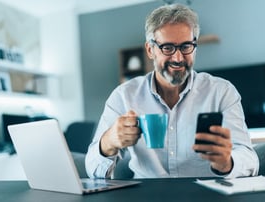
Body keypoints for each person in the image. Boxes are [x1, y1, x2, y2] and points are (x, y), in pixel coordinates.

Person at [85, 3, 259, 179]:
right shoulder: (123, 96)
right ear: (150, 50)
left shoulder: (222, 92)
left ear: (195, 47)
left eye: (185, 47)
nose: (177, 58)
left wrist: (227, 163)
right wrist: (108, 142)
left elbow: (250, 160)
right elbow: (92, 171)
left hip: (206, 195)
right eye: (167, 48)